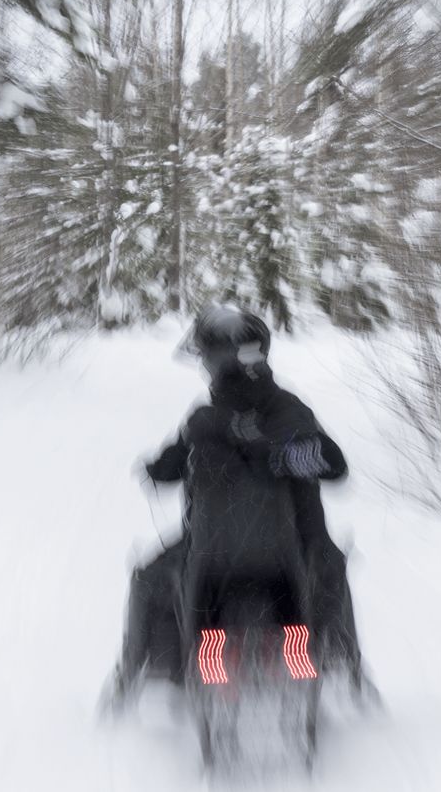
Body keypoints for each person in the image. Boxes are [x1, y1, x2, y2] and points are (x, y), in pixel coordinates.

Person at [103, 304, 370, 712]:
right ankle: (345, 663)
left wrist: (154, 469)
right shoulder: (290, 411)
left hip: (212, 559)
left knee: (148, 577)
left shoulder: (203, 421)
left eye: (206, 359)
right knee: (331, 567)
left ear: (215, 362)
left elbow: (168, 466)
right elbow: (336, 468)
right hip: (291, 557)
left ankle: (135, 671)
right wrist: (290, 455)